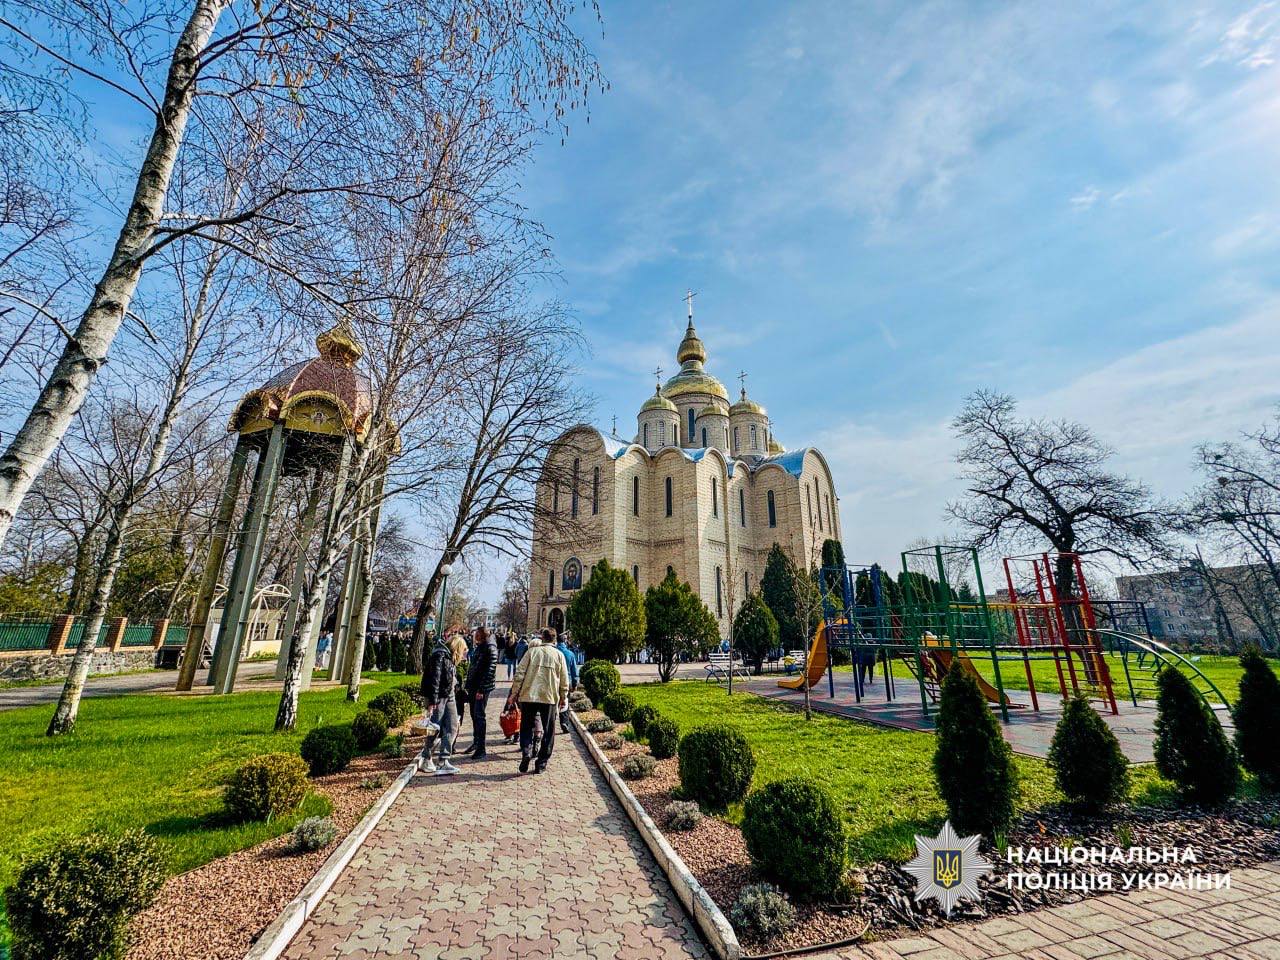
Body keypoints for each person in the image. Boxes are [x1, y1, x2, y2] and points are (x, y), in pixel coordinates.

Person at [507, 627, 570, 774]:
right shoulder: (559, 655)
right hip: (548, 697)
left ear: (542, 637)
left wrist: (514, 693)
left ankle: (527, 752)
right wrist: (563, 696)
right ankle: (541, 762)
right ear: (554, 640)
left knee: (526, 726)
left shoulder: (531, 652)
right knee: (548, 731)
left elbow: (519, 673)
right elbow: (564, 679)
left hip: (529, 695)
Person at [420, 633, 460, 775]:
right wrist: (433, 701)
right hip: (440, 696)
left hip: (449, 695)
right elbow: (435, 679)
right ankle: (426, 757)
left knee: (453, 725)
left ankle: (444, 760)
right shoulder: (440, 656)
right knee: (435, 727)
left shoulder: (448, 657)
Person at [462, 626, 498, 759]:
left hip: (481, 688)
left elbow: (490, 670)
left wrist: (482, 689)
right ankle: (476, 742)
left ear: (481, 635)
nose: (474, 636)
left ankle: (481, 748)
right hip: (474, 686)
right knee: (474, 715)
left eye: (476, 634)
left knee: (479, 716)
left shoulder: (490, 647)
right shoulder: (481, 646)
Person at [553, 629, 579, 734]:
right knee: (565, 702)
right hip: (566, 681)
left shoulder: (553, 652)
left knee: (552, 702)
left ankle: (551, 722)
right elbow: (574, 670)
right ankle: (564, 722)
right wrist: (575, 683)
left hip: (553, 681)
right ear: (565, 641)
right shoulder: (570, 654)